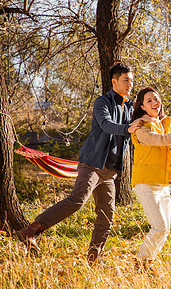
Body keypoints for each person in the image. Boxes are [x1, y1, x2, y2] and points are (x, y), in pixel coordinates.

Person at [16, 62, 142, 263]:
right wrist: (128, 128)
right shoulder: (102, 102)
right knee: (77, 200)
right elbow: (107, 125)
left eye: (132, 81)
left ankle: (94, 258)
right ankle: (31, 231)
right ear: (114, 81)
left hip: (110, 171)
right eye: (126, 80)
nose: (130, 84)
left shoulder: (129, 106)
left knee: (107, 215)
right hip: (92, 164)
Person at [131, 87, 171, 266]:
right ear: (142, 106)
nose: (154, 103)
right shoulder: (141, 127)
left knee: (165, 230)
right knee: (159, 226)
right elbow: (163, 140)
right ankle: (140, 261)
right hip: (145, 184)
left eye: (156, 99)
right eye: (149, 100)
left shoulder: (164, 123)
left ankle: (148, 262)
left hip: (163, 184)